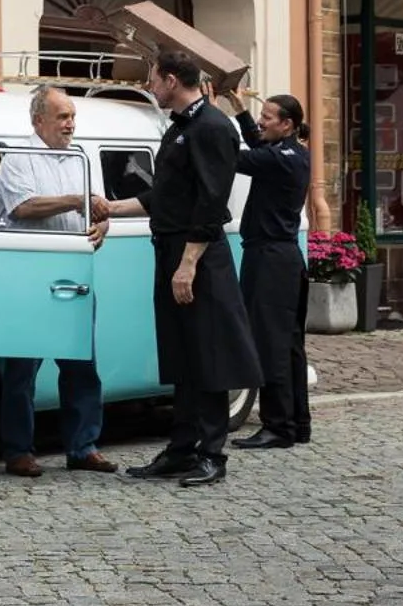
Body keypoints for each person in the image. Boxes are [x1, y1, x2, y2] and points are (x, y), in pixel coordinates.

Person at [99, 51, 265, 487]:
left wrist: (188, 264)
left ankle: (211, 454)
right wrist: (113, 208)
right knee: (182, 355)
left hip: (199, 255)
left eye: (153, 80)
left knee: (207, 354)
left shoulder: (211, 126)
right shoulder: (179, 127)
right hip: (171, 248)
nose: (150, 87)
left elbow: (212, 203)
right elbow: (165, 195)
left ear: (172, 80)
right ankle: (181, 448)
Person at [0, 85, 115, 477]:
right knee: (22, 369)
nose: (70, 124)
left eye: (72, 116)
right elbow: (24, 207)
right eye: (62, 117)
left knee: (82, 364)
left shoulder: (80, 157)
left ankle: (83, 446)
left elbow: (98, 206)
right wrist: (75, 200)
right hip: (30, 274)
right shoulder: (19, 157)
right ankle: (18, 450)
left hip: (74, 271)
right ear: (38, 120)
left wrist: (102, 224)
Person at [216, 84, 313, 450]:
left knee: (271, 344)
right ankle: (297, 423)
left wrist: (212, 122)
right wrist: (238, 108)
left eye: (267, 118)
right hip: (283, 258)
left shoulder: (281, 158)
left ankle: (278, 426)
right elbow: (257, 145)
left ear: (287, 125)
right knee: (289, 346)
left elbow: (240, 158)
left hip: (271, 260)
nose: (261, 122)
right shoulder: (290, 152)